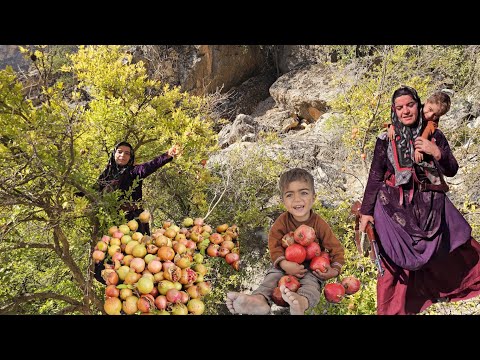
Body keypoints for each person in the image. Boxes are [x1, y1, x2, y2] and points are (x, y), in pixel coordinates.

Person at [359, 85, 480, 315]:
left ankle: (449, 290)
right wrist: (366, 212)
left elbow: (452, 169)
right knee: (393, 266)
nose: (405, 111)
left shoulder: (434, 134)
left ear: (419, 104)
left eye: (410, 105)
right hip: (391, 205)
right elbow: (375, 175)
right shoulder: (386, 138)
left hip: (428, 206)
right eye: (400, 107)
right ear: (394, 110)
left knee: (458, 245)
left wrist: (436, 152)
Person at [226, 168, 345, 315]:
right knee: (271, 279)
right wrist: (284, 263)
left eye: (304, 193)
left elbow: (336, 249)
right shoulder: (282, 222)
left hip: (311, 268)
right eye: (290, 195)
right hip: (284, 265)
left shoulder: (319, 224)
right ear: (283, 201)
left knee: (312, 285)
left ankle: (301, 302)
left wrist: (334, 270)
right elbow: (274, 245)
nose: (297, 199)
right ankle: (259, 300)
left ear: (314, 197)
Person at [94, 141, 181, 284]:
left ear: (131, 157)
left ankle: (140, 288)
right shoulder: (106, 175)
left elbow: (151, 165)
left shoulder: (134, 171)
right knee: (113, 258)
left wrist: (168, 155)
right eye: (119, 151)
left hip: (134, 221)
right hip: (115, 222)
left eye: (127, 153)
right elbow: (93, 192)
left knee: (139, 259)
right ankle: (120, 291)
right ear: (114, 153)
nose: (122, 155)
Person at [387, 91, 451, 164]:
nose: (430, 115)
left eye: (436, 115)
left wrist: (419, 149)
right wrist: (392, 126)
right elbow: (399, 118)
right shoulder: (415, 109)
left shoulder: (432, 123)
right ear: (426, 102)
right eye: (430, 109)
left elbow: (427, 131)